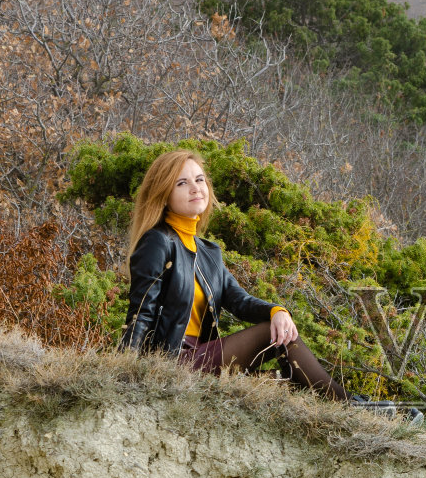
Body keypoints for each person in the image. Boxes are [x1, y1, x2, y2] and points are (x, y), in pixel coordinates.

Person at [119, 150, 347, 400]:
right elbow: (141, 312)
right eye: (182, 183)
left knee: (284, 377)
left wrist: (277, 311)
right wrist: (126, 373)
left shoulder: (208, 253)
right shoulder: (157, 241)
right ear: (164, 196)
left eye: (200, 179)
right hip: (173, 360)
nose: (195, 188)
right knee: (274, 337)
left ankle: (344, 408)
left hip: (202, 356)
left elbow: (240, 301)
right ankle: (350, 405)